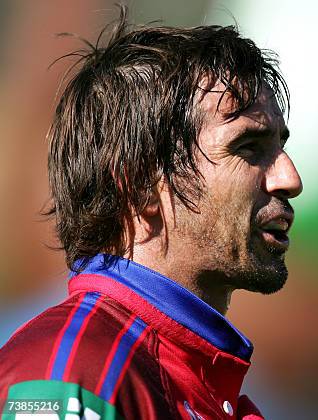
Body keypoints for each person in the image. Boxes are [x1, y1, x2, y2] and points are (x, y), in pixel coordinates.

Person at [0, 7, 302, 420]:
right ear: (141, 184)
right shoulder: (70, 371)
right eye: (248, 147)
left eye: (281, 147)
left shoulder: (201, 383)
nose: (290, 177)